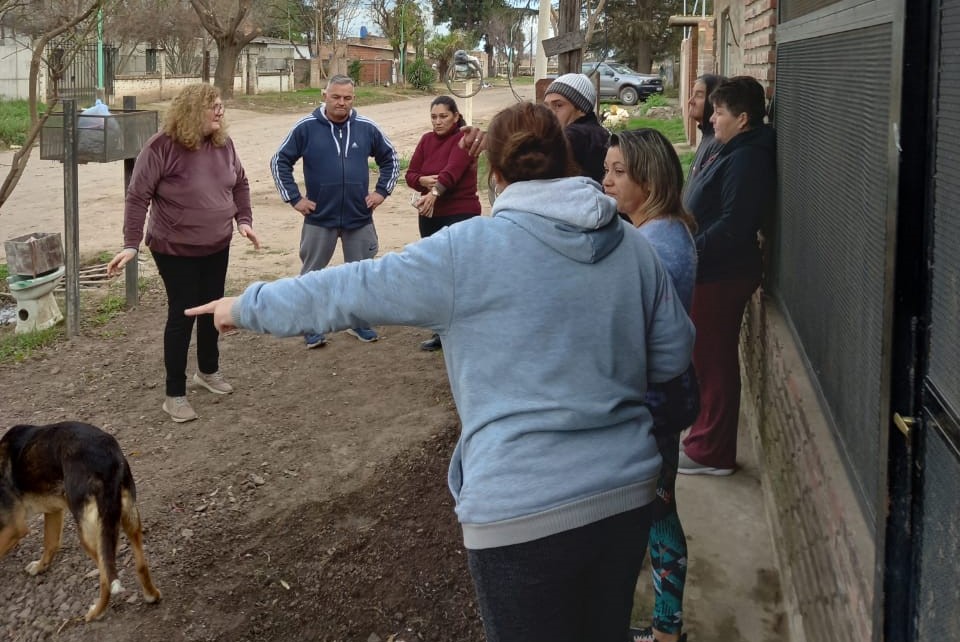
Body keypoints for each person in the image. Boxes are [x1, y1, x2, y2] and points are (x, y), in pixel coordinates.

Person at [187, 102, 695, 642]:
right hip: (625, 493)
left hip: (521, 511)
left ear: (493, 174)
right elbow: (671, 357)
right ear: (569, 162)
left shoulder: (466, 252)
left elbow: (347, 289)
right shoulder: (634, 248)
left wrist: (246, 305)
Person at [106, 83, 260, 424]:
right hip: (175, 249)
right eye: (213, 106)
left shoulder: (223, 144)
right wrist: (131, 243)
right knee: (184, 312)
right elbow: (137, 197)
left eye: (221, 105)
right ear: (191, 112)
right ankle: (174, 393)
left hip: (217, 244)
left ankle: (207, 371)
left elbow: (240, 184)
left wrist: (243, 220)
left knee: (213, 307)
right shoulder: (160, 147)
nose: (221, 111)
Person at [603, 129, 699, 642]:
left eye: (619, 172)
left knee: (659, 516)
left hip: (654, 406)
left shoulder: (654, 245)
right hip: (661, 399)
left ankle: (667, 632)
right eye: (607, 169)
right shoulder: (659, 231)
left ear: (650, 176)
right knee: (659, 512)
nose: (607, 181)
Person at [680, 75, 776, 476]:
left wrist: (689, 248)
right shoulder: (729, 147)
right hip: (712, 270)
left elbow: (735, 225)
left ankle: (713, 452)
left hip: (724, 274)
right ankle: (704, 432)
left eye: (720, 112)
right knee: (704, 357)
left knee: (714, 359)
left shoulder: (747, 158)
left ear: (744, 117)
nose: (713, 119)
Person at [271, 74, 399, 348]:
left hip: (358, 216)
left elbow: (391, 158)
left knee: (361, 274)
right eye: (336, 97)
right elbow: (279, 161)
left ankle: (358, 322)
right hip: (320, 217)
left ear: (354, 98)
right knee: (312, 275)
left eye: (347, 98)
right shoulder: (306, 127)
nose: (341, 103)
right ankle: (309, 325)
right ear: (324, 95)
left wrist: (380, 192)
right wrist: (295, 199)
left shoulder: (366, 127)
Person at [405, 96, 481, 351]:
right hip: (430, 216)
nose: (438, 122)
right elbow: (411, 174)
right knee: (437, 275)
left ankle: (469, 329)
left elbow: (453, 171)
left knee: (462, 275)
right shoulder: (426, 140)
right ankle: (442, 331)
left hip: (460, 213)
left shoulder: (464, 138)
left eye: (443, 116)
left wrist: (435, 192)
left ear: (456, 116)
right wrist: (423, 182)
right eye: (434, 117)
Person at [543, 73, 610, 182]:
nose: (550, 113)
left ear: (581, 109)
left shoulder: (573, 136)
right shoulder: (598, 132)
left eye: (559, 105)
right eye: (546, 106)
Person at [686, 74, 724, 179]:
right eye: (692, 94)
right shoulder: (708, 135)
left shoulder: (718, 142)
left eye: (699, 95)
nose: (690, 101)